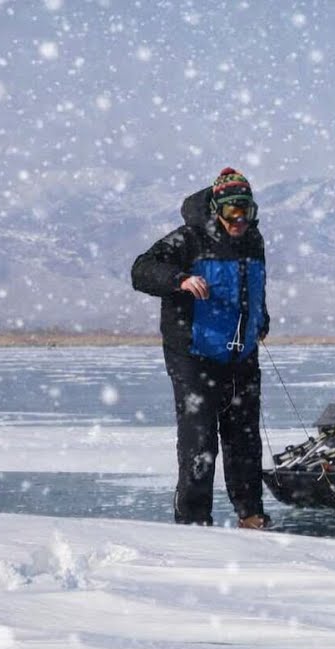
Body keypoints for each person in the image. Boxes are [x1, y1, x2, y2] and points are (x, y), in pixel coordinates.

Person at [132, 167, 272, 529]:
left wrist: (261, 320)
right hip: (193, 355)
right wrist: (179, 279)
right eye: (231, 213)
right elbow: (142, 269)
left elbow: (252, 285)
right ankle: (194, 522)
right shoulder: (188, 240)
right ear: (217, 210)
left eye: (247, 212)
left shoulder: (254, 241)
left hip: (240, 354)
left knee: (244, 439)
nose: (239, 220)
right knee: (200, 441)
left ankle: (250, 515)